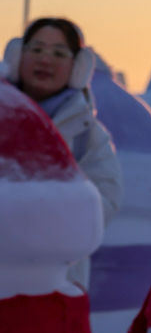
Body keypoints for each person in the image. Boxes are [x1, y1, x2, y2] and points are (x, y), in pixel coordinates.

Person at [2, 17, 123, 284]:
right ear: (17, 56)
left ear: (77, 67)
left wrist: (46, 216)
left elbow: (105, 203)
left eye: (59, 53)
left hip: (56, 281)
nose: (45, 60)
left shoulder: (87, 135)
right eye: (36, 49)